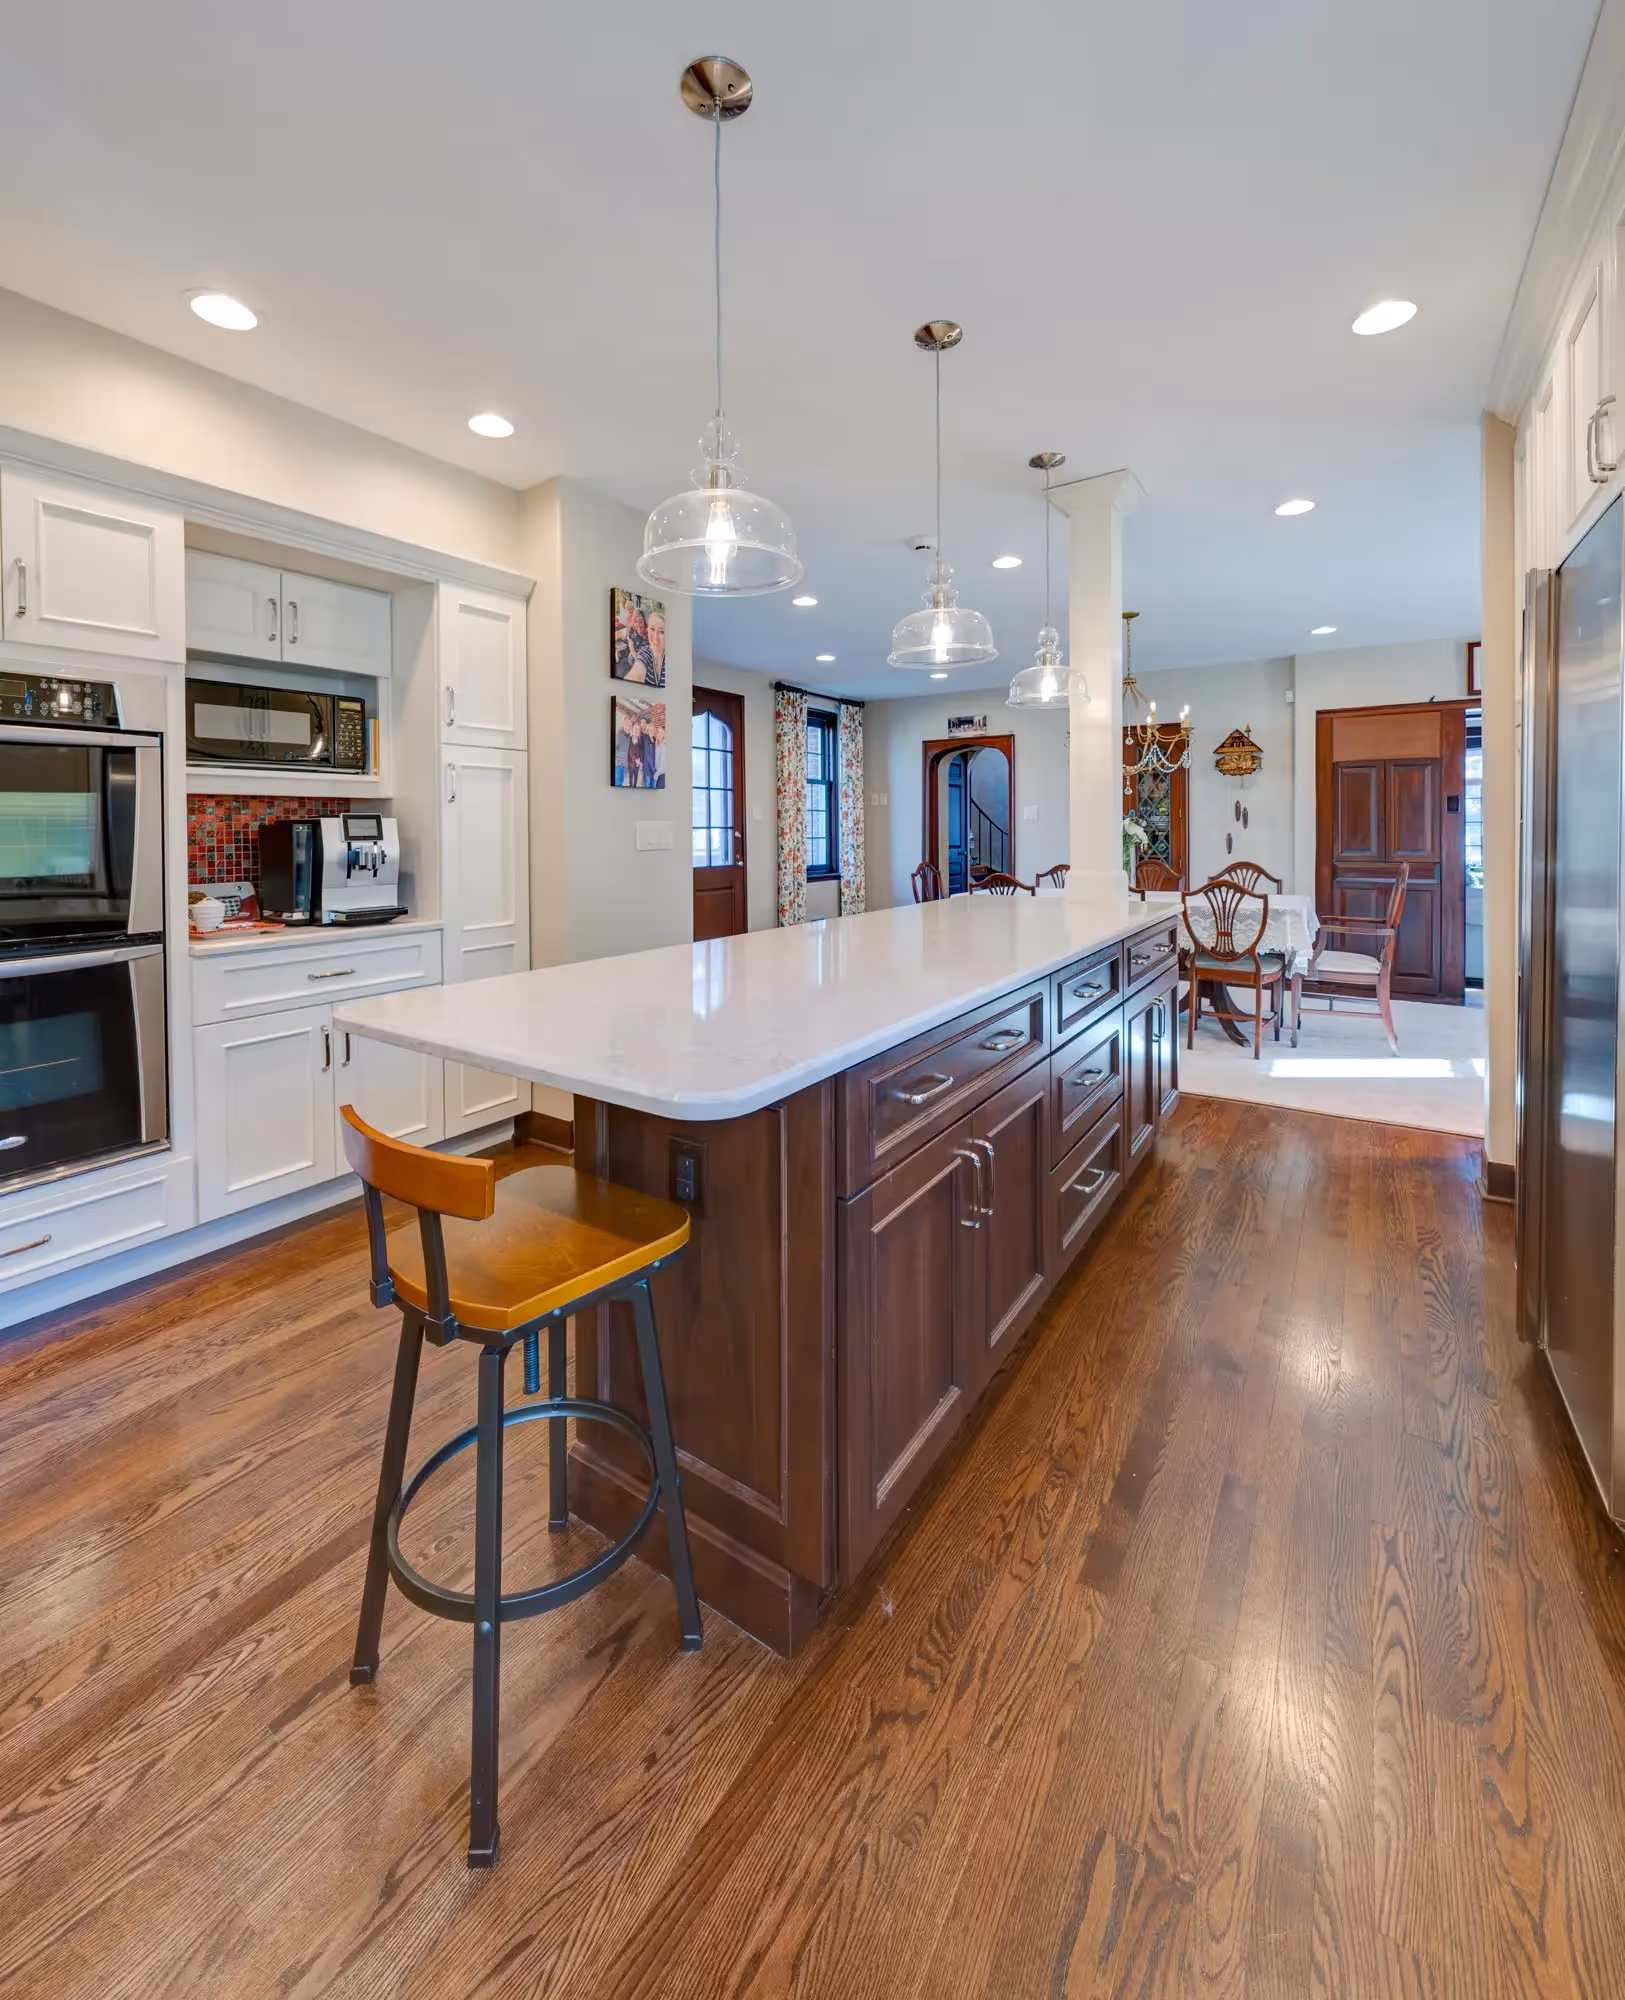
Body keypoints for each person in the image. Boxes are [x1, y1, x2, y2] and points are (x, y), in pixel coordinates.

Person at [646, 608, 667, 688]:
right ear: (647, 629)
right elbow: (635, 673)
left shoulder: (674, 657)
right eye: (652, 629)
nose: (655, 637)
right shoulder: (644, 653)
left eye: (661, 632)